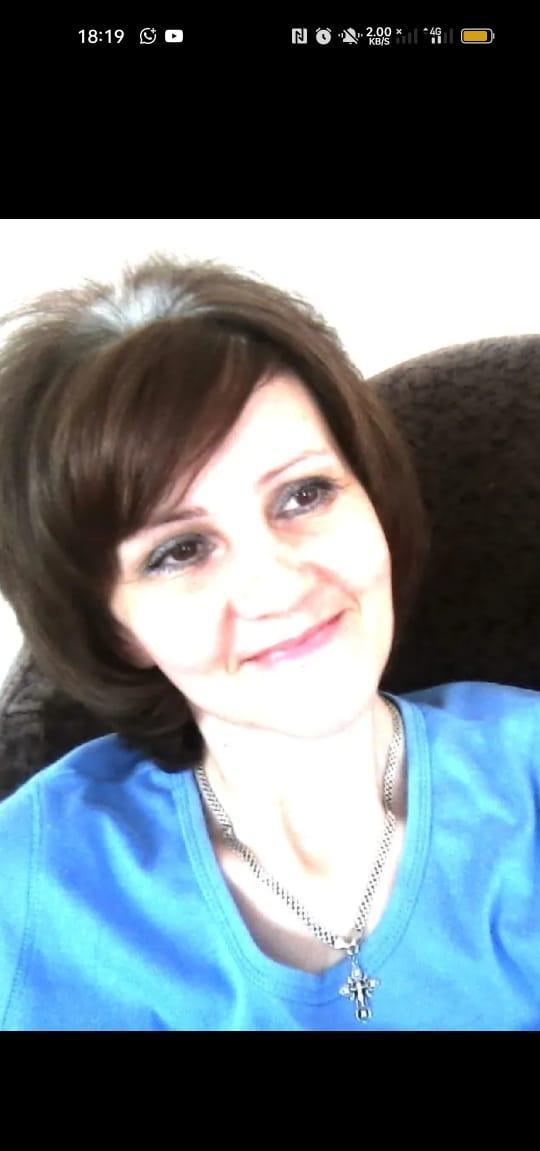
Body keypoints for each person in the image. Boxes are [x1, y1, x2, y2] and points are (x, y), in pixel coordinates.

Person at [0, 254, 538, 1031]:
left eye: (304, 494)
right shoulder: (30, 887)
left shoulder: (528, 774)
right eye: (179, 550)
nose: (279, 586)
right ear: (114, 627)